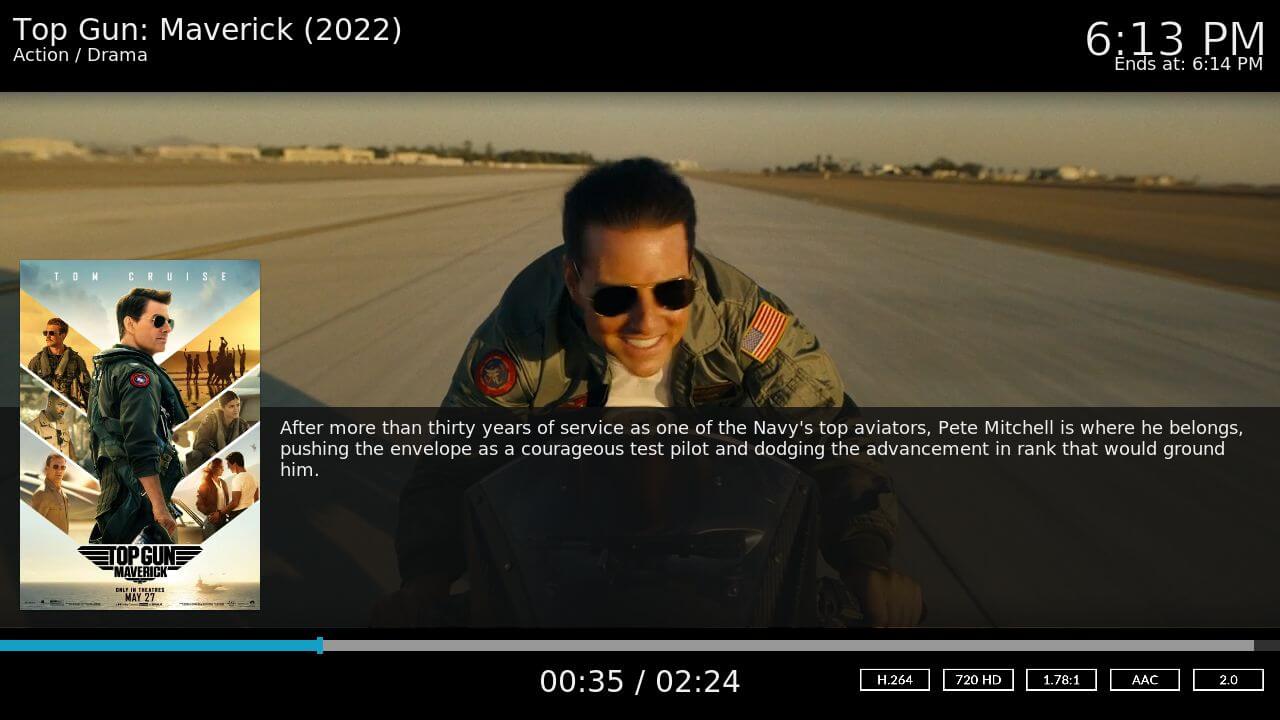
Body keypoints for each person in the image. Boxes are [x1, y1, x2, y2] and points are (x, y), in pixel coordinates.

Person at [393, 158, 923, 626]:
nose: (646, 323)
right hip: (565, 523)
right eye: (614, 298)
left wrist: (866, 564)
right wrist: (425, 581)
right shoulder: (522, 337)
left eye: (672, 291)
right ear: (574, 282)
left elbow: (828, 438)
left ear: (690, 270)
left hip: (719, 523)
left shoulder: (745, 324)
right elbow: (457, 461)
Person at [87, 287, 190, 544]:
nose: (167, 329)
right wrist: (159, 507)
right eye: (158, 321)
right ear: (130, 324)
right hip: (138, 504)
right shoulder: (137, 376)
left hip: (119, 496)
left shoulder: (108, 368)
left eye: (170, 322)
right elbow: (140, 443)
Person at [28, 317, 91, 408]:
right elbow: (29, 389)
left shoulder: (76, 361)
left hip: (68, 410)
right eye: (46, 333)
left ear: (63, 335)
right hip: (43, 409)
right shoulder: (36, 361)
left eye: (51, 333)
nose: (47, 336)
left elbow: (88, 391)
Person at [186, 391, 250, 474]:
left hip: (230, 459)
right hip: (210, 457)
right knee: (195, 455)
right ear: (222, 408)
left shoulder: (242, 425)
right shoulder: (211, 420)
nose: (236, 409)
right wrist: (213, 454)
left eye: (238, 405)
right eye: (231, 406)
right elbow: (199, 443)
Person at [30, 453, 71, 534]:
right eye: (55, 466)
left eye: (63, 467)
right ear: (47, 469)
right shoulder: (42, 493)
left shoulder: (63, 494)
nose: (59, 470)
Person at [27, 390, 73, 458]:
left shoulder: (64, 424)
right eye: (60, 405)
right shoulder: (33, 427)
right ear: (49, 403)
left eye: (65, 406)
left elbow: (69, 448)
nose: (63, 410)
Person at [195, 457, 230, 538]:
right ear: (214, 468)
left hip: (223, 519)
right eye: (221, 467)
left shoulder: (223, 483)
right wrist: (210, 513)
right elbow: (199, 504)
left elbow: (226, 501)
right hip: (212, 521)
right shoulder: (205, 484)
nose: (223, 469)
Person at [224, 451, 257, 521]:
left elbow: (235, 503)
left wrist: (221, 512)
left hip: (237, 514)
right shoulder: (253, 477)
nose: (228, 467)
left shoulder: (237, 479)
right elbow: (256, 499)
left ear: (235, 464)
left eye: (228, 464)